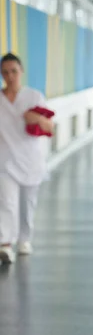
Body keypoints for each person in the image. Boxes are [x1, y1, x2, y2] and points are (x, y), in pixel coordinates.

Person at [0, 53, 54, 264]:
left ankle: (24, 239)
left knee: (27, 204)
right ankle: (5, 243)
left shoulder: (34, 96)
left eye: (14, 71)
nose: (10, 76)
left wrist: (38, 118)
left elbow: (50, 128)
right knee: (6, 202)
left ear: (21, 72)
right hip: (4, 161)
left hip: (31, 160)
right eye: (5, 72)